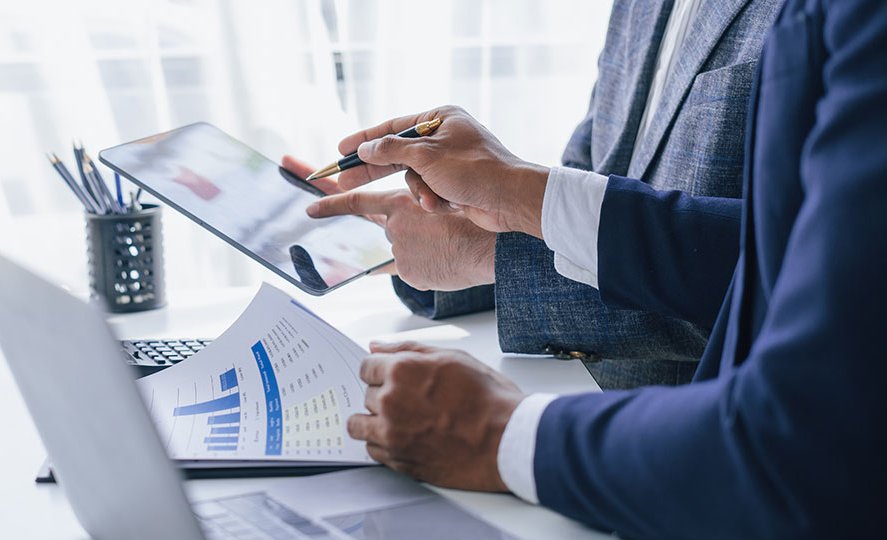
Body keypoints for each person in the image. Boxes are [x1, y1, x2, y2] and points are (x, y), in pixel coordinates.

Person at [304, 0, 887, 537]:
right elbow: (594, 178)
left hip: (687, 468)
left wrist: (500, 432)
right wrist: (478, 225)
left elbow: (772, 280)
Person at [286, 0, 785, 389]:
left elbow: (783, 275)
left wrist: (490, 251)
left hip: (713, 453)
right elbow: (593, 189)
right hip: (571, 406)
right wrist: (449, 232)